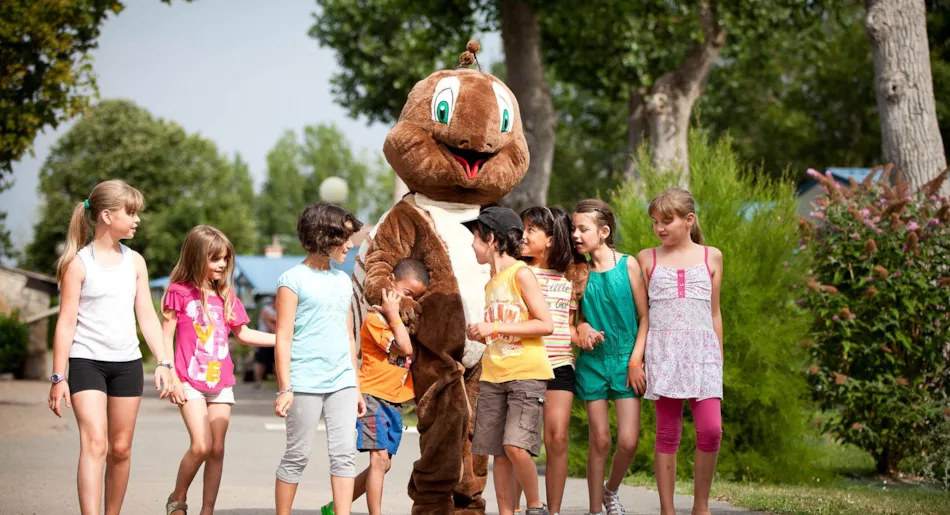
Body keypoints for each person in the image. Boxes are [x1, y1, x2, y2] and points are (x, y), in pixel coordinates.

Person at [47, 179, 175, 515]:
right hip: (87, 361)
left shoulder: (135, 262)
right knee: (95, 443)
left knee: (120, 449)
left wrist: (164, 361)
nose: (137, 220)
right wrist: (59, 376)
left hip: (127, 364)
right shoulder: (78, 263)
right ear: (106, 215)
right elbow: (66, 322)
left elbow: (146, 315)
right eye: (130, 213)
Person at [162, 226, 277, 515]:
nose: (222, 265)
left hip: (220, 382)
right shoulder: (179, 292)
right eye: (215, 259)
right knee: (201, 445)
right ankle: (177, 499)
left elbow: (245, 334)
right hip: (188, 380)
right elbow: (165, 337)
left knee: (217, 449)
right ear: (196, 257)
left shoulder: (226, 294)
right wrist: (170, 375)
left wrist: (285, 340)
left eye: (225, 259)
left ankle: (207, 511)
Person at [274, 203, 366, 515]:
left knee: (344, 455)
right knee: (297, 455)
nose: (350, 245)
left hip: (341, 380)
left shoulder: (343, 280)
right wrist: (285, 387)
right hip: (304, 382)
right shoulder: (292, 279)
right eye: (346, 238)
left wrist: (356, 385)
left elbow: (348, 334)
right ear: (324, 237)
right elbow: (283, 338)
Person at [637, 188, 723, 515]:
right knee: (667, 433)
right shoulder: (648, 258)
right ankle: (667, 509)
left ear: (689, 221)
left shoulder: (711, 256)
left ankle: (701, 506)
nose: (660, 227)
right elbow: (643, 315)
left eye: (667, 221)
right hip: (664, 354)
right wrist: (639, 359)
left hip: (703, 356)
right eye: (655, 222)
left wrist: (719, 359)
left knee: (711, 430)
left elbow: (715, 313)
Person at [322, 258, 430, 515]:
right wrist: (393, 314)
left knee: (383, 465)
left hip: (393, 401)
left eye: (415, 298)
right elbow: (404, 348)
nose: (408, 302)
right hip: (373, 397)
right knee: (379, 459)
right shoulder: (376, 319)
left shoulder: (400, 322)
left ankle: (336, 506)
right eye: (405, 294)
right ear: (391, 283)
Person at [467, 206, 554, 515]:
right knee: (499, 454)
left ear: (492, 239)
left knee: (516, 446)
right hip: (493, 376)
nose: (473, 246)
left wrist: (495, 327)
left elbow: (546, 324)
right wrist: (484, 334)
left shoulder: (521, 273)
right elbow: (502, 329)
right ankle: (506, 511)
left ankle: (535, 507)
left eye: (476, 238)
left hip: (525, 373)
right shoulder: (491, 282)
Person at [571, 199, 649, 515]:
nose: (576, 234)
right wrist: (584, 326)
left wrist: (635, 363)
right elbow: (571, 319)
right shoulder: (577, 272)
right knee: (600, 441)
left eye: (583, 228)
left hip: (626, 361)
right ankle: (593, 510)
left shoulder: (628, 265)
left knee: (629, 441)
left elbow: (645, 318)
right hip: (593, 363)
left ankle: (610, 491)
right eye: (573, 228)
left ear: (603, 231)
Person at [517, 206, 585, 515]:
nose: (524, 234)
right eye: (523, 228)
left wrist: (583, 332)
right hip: (525, 364)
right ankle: (526, 505)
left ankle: (554, 510)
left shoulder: (568, 277)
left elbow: (567, 325)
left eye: (532, 229)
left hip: (560, 364)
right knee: (522, 440)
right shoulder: (519, 273)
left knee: (556, 437)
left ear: (551, 238)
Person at [254, 295, 277, 388]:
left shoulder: (277, 311)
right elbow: (270, 322)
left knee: (276, 361)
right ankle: (258, 381)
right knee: (262, 362)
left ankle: (278, 383)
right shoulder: (266, 310)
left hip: (275, 339)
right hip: (264, 339)